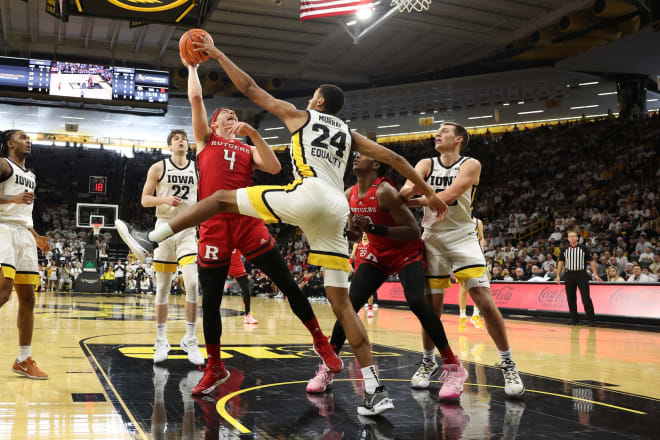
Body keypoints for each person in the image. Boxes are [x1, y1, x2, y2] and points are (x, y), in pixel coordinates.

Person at [118, 38, 448, 415]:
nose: (308, 99)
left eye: (313, 96)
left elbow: (252, 92)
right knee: (342, 303)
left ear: (319, 102)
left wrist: (219, 54)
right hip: (337, 207)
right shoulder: (347, 134)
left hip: (293, 202)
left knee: (222, 199)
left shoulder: (298, 118)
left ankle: (152, 238)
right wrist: (431, 195)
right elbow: (394, 157)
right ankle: (373, 389)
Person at [117, 53, 343, 396]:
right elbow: (195, 98)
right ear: (215, 123)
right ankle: (215, 366)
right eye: (225, 114)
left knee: (288, 283)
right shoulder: (206, 139)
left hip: (248, 221)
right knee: (210, 303)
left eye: (234, 114)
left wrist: (252, 132)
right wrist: (191, 68)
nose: (231, 115)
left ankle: (320, 342)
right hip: (213, 227)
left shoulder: (244, 146)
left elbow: (271, 168)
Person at [307, 152, 465, 401]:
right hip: (377, 253)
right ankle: (328, 366)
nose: (356, 157)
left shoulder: (385, 192)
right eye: (355, 155)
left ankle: (453, 366)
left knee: (416, 302)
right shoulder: (349, 194)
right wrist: (339, 231)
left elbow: (413, 232)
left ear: (376, 164)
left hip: (405, 252)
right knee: (349, 306)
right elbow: (356, 235)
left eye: (363, 155)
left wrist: (373, 228)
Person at [401, 122, 525, 397]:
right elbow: (407, 189)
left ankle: (508, 364)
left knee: (484, 301)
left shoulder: (471, 164)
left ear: (458, 139)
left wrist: (420, 201)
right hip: (431, 238)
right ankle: (427, 361)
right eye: (437, 131)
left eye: (444, 130)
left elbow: (451, 195)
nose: (438, 133)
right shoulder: (425, 163)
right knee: (430, 309)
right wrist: (399, 197)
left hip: (462, 238)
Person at [117, 129, 204, 365]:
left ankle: (190, 338)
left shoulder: (198, 167)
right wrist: (165, 199)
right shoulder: (158, 167)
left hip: (187, 229)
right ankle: (161, 339)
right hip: (164, 229)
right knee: (163, 289)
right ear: (169, 146)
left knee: (193, 284)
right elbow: (145, 200)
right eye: (177, 139)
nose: (182, 141)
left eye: (184, 139)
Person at [0, 129, 50, 379]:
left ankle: (23, 359)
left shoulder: (31, 174)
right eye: (22, 137)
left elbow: (24, 213)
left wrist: (36, 236)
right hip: (3, 229)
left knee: (28, 298)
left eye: (29, 138)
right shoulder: (2, 164)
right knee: (3, 291)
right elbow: (12, 203)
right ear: (10, 143)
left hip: (24, 233)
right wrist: (13, 198)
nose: (28, 141)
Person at [556, 230, 602, 326]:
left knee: (586, 298)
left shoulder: (584, 248)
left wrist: (595, 274)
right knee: (571, 298)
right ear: (568, 239)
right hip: (569, 274)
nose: (572, 238)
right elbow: (561, 262)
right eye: (570, 236)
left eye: (574, 236)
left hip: (581, 274)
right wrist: (558, 275)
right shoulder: (564, 249)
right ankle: (574, 319)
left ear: (577, 238)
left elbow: (592, 262)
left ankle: (591, 320)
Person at [457, 217, 485, 333]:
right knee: (463, 288)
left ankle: (475, 315)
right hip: (462, 257)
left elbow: (482, 238)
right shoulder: (458, 220)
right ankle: (462, 317)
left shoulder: (478, 222)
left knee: (478, 286)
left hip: (476, 257)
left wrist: (481, 251)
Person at [349, 233, 376, 318]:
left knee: (369, 291)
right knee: (355, 291)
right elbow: (352, 256)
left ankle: (370, 309)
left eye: (366, 233)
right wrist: (349, 265)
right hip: (357, 270)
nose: (364, 235)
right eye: (363, 234)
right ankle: (356, 309)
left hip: (368, 269)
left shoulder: (371, 243)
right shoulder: (357, 243)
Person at [229, 249, 258, 324]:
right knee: (216, 289)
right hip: (224, 263)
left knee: (246, 289)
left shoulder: (239, 237)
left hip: (237, 264)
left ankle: (247, 315)